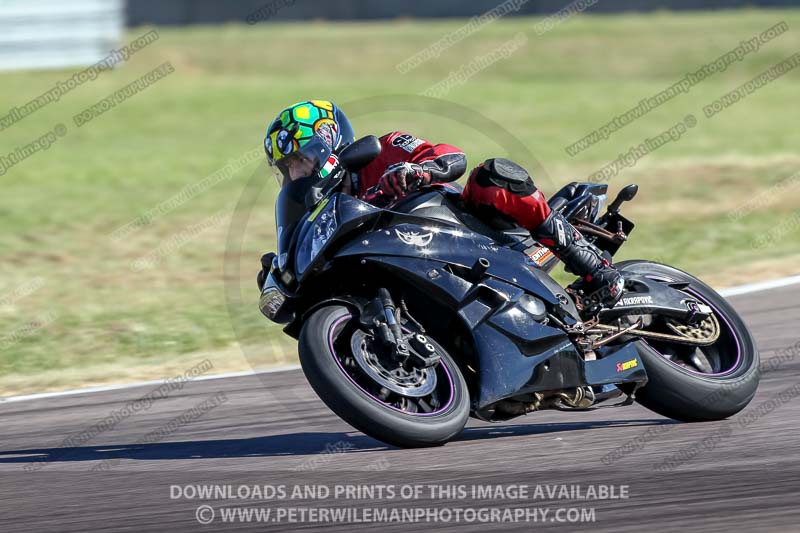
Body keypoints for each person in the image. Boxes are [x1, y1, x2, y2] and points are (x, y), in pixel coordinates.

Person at [263, 100, 624, 308]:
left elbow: (451, 156)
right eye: (288, 168)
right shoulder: (327, 211)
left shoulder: (384, 148)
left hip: (474, 230)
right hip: (421, 268)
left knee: (492, 175)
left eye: (300, 159)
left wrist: (419, 171)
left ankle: (591, 265)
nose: (296, 172)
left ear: (327, 141)